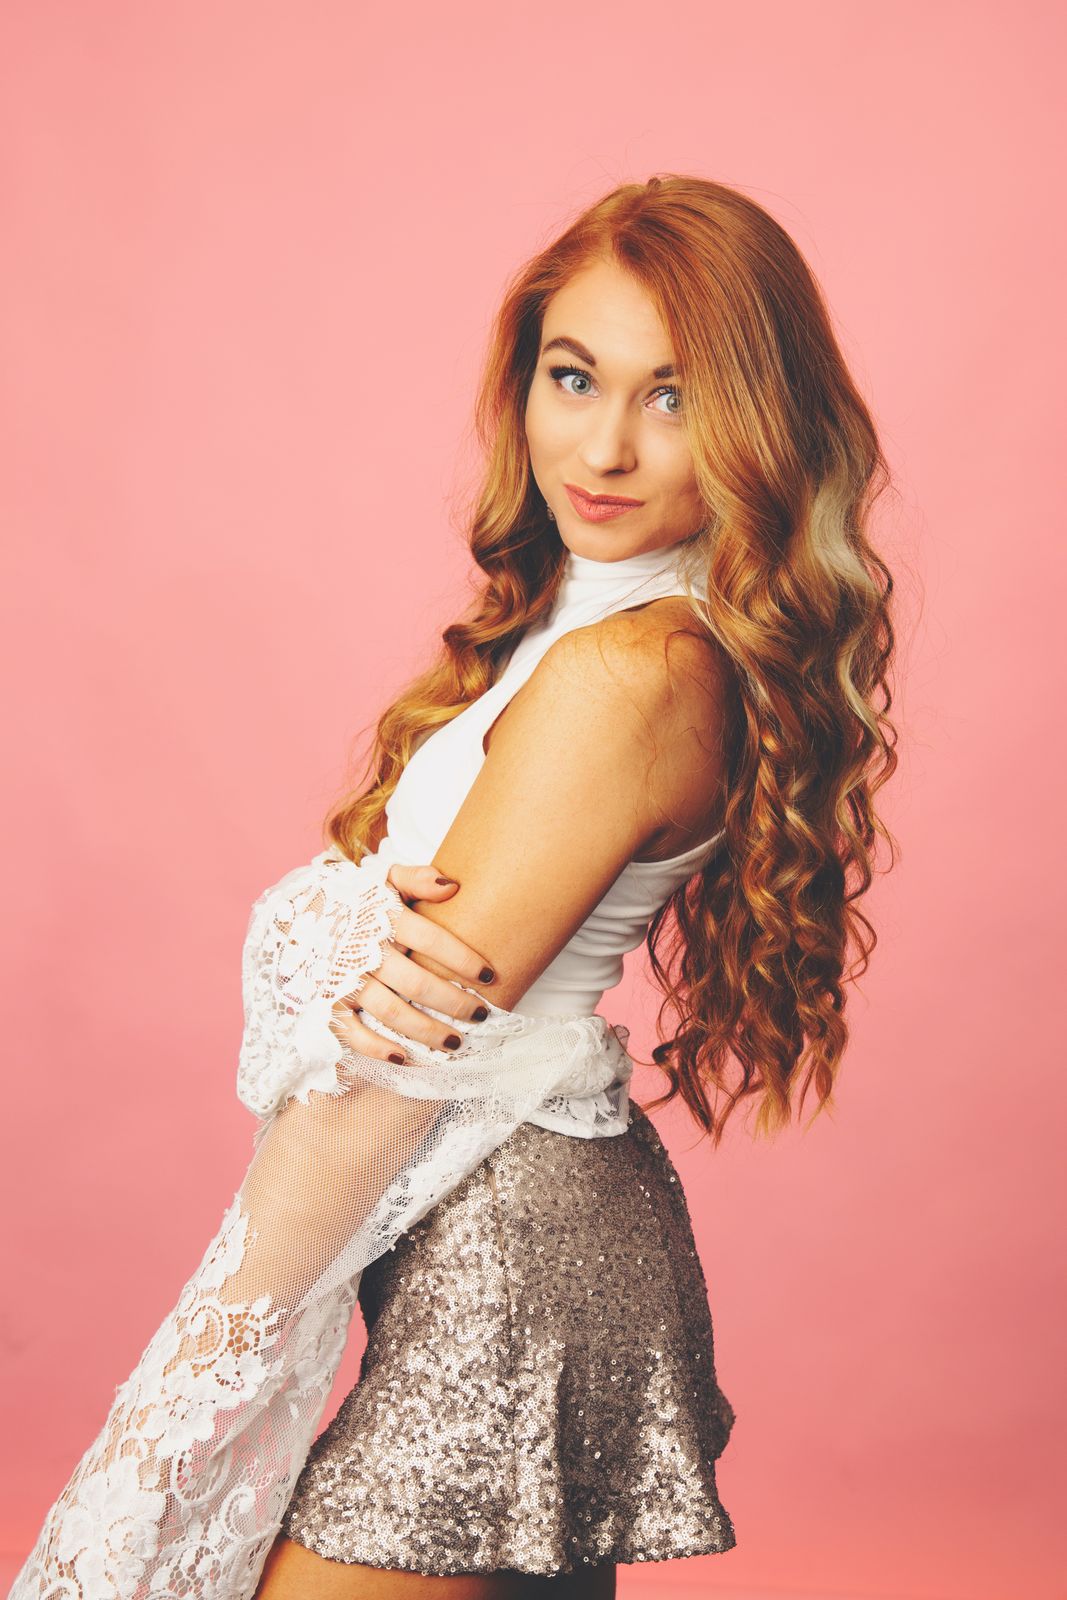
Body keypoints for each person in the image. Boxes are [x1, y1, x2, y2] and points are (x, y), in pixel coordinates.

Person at [9, 174, 898, 1600]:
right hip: (497, 1226)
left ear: (758, 422)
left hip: (509, 1260)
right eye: (574, 377)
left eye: (673, 398)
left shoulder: (628, 675)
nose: (604, 447)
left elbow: (396, 1066)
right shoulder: (590, 631)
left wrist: (190, 1386)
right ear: (524, 377)